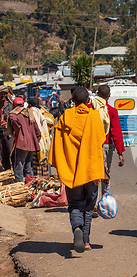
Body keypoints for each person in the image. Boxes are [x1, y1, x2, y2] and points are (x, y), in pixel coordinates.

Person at [49, 87, 106, 253]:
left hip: (72, 171)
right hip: (90, 170)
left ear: (72, 101)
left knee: (75, 205)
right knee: (88, 207)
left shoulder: (65, 117)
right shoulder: (94, 117)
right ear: (88, 101)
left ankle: (77, 230)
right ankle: (87, 241)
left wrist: (60, 164)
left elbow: (57, 143)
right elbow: (101, 139)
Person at [90, 85, 125, 196]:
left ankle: (92, 203)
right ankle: (104, 200)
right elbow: (116, 133)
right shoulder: (112, 111)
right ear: (109, 96)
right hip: (106, 145)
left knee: (92, 173)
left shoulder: (89, 108)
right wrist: (120, 152)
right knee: (105, 173)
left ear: (97, 94)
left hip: (91, 145)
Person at [8, 97, 41, 183]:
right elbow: (37, 130)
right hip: (32, 142)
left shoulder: (13, 114)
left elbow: (15, 125)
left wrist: (19, 133)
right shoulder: (29, 112)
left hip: (22, 142)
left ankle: (19, 183)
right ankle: (30, 182)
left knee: (19, 163)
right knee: (29, 163)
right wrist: (36, 140)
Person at [28, 98, 50, 177]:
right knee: (43, 158)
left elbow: (35, 125)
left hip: (37, 138)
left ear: (30, 104)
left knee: (36, 160)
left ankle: (38, 178)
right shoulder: (41, 111)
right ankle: (45, 177)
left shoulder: (32, 111)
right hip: (44, 137)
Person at [0, 85, 15, 170]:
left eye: (4, 94)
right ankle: (7, 170)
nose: (3, 95)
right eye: (1, 93)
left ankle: (16, 173)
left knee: (11, 152)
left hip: (8, 131)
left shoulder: (10, 105)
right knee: (3, 154)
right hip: (0, 131)